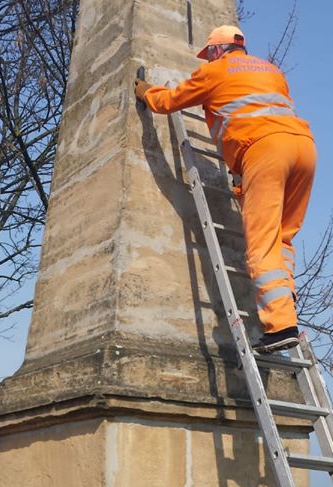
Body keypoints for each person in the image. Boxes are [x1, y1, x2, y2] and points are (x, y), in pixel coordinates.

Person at [134, 24, 317, 354]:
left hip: (264, 149)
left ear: (217, 50)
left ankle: (280, 326)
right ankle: (285, 301)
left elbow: (171, 101)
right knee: (283, 238)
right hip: (303, 148)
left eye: (209, 53)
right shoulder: (271, 70)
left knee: (261, 244)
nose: (207, 59)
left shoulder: (215, 71)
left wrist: (147, 91)